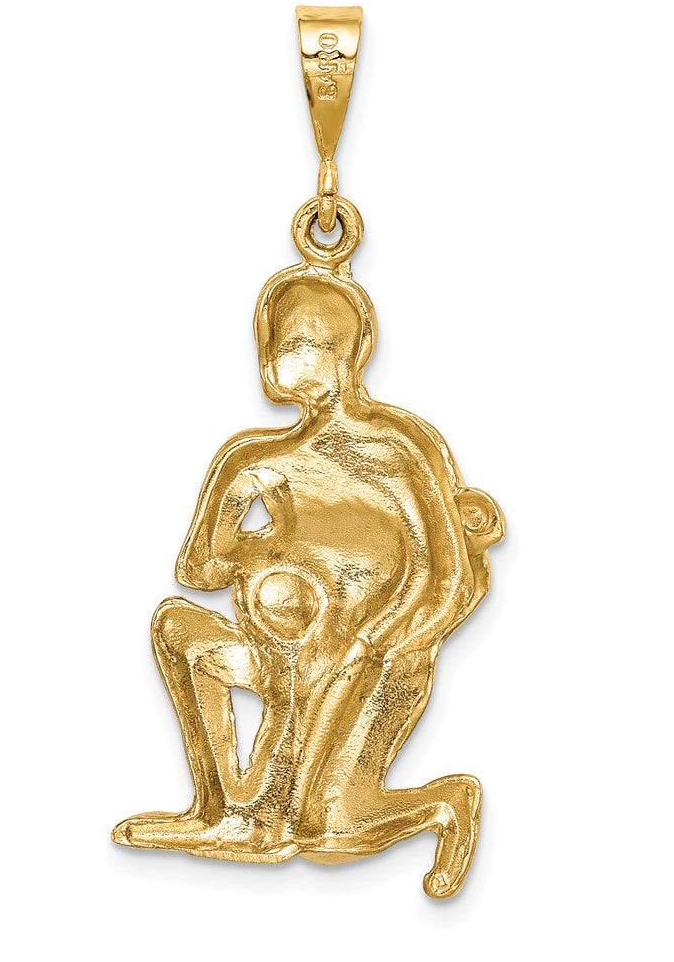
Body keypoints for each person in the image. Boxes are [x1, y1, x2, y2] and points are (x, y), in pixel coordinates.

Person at [112, 269, 503, 896]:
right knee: (177, 628)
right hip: (281, 646)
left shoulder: (396, 447)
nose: (291, 358)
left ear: (351, 351)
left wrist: (376, 644)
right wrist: (254, 527)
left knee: (328, 832)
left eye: (307, 343)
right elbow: (198, 572)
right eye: (284, 343)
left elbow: (445, 574)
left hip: (375, 663)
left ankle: (444, 805)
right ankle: (223, 810)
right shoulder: (255, 460)